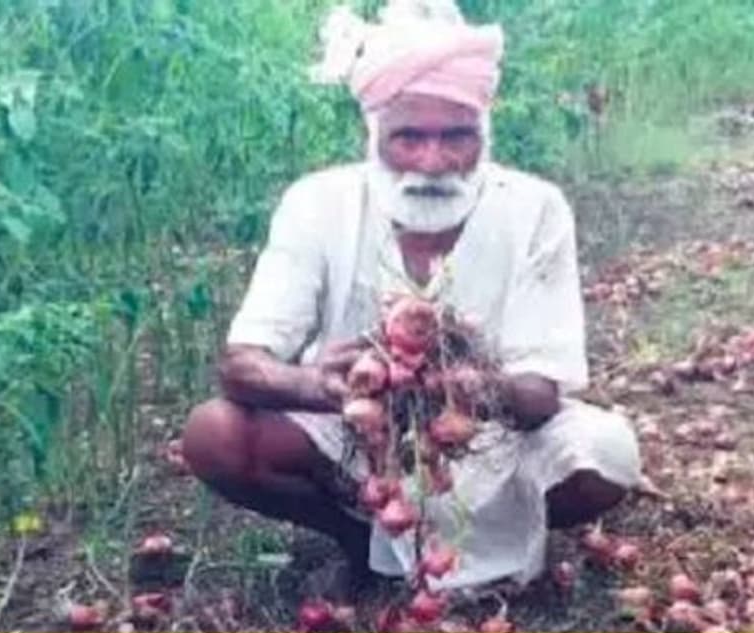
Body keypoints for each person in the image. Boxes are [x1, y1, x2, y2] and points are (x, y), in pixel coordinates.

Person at [178, 0, 641, 595]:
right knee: (214, 434)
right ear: (373, 135)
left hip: (487, 438)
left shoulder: (535, 208)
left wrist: (462, 384)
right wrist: (324, 386)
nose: (433, 161)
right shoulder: (317, 203)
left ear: (484, 133)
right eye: (409, 138)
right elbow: (241, 364)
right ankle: (357, 539)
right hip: (354, 436)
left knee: (607, 454)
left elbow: (538, 395)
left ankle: (490, 537)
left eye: (456, 136)